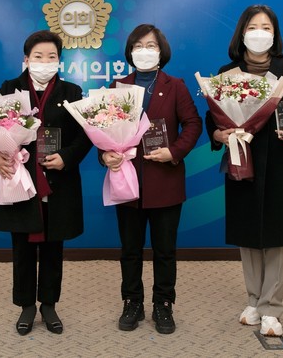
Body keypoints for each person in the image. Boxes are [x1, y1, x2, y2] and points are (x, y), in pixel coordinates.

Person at [206, 4, 283, 337]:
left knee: (278, 237)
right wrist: (218, 134)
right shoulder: (227, 73)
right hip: (244, 160)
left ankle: (271, 308)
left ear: (275, 33)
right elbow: (214, 116)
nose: (259, 33)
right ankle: (253, 300)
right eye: (253, 27)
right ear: (242, 33)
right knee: (249, 233)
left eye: (266, 27)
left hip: (282, 161)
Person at [0, 30, 92, 336]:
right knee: (22, 247)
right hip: (20, 180)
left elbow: (86, 135)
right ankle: (26, 305)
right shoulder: (10, 88)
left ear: (59, 61)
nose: (45, 62)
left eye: (52, 57)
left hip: (58, 181)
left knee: (54, 246)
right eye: (38, 56)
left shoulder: (71, 91)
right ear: (26, 59)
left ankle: (49, 305)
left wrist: (67, 156)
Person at [101, 24, 202, 334]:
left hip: (165, 181)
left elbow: (193, 124)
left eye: (151, 46)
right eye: (138, 46)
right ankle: (132, 302)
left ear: (161, 51)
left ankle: (163, 303)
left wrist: (174, 152)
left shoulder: (176, 86)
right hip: (127, 180)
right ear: (130, 52)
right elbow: (103, 130)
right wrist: (105, 155)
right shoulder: (118, 86)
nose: (144, 51)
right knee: (130, 250)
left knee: (164, 250)